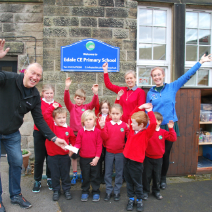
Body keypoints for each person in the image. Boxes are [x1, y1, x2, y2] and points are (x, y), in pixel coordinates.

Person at [0, 39, 67, 212]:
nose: (35, 77)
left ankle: (15, 195)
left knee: (16, 163)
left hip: (12, 133)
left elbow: (39, 120)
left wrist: (53, 137)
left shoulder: (35, 95)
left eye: (38, 76)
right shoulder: (8, 79)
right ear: (25, 71)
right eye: (33, 73)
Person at [146, 53, 212, 190]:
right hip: (155, 127)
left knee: (165, 154)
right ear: (152, 78)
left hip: (169, 126)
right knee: (153, 154)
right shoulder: (150, 93)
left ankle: (162, 179)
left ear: (163, 75)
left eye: (159, 74)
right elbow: (148, 110)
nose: (157, 77)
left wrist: (200, 62)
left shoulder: (172, 87)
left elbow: (187, 75)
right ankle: (153, 179)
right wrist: (148, 127)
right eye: (154, 75)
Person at [64, 77, 99, 185]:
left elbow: (93, 103)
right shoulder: (71, 107)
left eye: (81, 99)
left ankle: (84, 175)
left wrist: (96, 93)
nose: (79, 100)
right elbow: (66, 100)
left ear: (84, 100)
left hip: (84, 135)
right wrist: (67, 87)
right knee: (74, 156)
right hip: (74, 135)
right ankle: (75, 174)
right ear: (74, 98)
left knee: (83, 156)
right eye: (77, 98)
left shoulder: (87, 107)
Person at [123, 103, 156, 212]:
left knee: (137, 182)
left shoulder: (146, 133)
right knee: (129, 181)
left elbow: (153, 123)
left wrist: (150, 111)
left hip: (136, 163)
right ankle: (131, 199)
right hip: (126, 160)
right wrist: (141, 107)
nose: (131, 125)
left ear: (142, 125)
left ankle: (139, 200)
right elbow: (131, 114)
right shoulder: (132, 130)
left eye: (133, 123)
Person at [43, 103, 76, 201]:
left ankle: (66, 190)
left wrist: (71, 151)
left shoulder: (68, 129)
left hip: (64, 157)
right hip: (52, 156)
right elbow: (45, 115)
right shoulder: (51, 127)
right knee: (55, 175)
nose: (61, 120)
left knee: (65, 174)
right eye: (59, 118)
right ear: (54, 119)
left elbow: (74, 141)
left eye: (63, 117)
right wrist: (52, 107)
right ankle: (56, 190)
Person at [32, 84, 62, 193]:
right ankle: (37, 180)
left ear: (53, 93)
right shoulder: (38, 102)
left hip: (52, 134)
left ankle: (50, 178)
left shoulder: (58, 104)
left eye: (51, 93)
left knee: (50, 157)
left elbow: (60, 118)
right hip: (39, 132)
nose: (49, 95)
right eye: (47, 93)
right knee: (39, 158)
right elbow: (42, 117)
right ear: (43, 93)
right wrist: (51, 107)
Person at [69, 110, 102, 202]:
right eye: (86, 120)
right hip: (84, 158)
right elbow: (78, 144)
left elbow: (99, 145)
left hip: (95, 158)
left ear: (94, 121)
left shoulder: (97, 132)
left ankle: (95, 191)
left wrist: (97, 158)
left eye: (90, 119)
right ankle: (85, 191)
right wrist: (72, 149)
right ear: (83, 121)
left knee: (95, 176)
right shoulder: (80, 132)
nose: (88, 121)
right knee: (85, 176)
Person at [142, 112, 177, 201]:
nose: (151, 121)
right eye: (150, 120)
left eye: (155, 120)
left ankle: (156, 191)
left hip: (158, 158)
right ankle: (145, 191)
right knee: (146, 176)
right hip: (148, 158)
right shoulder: (146, 131)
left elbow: (173, 138)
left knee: (157, 176)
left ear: (160, 122)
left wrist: (171, 129)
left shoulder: (163, 132)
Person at [100, 104, 129, 202]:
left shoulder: (124, 125)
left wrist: (130, 128)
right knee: (107, 172)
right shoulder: (107, 124)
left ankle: (117, 190)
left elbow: (129, 138)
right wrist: (102, 128)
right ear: (110, 114)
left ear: (121, 114)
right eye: (113, 113)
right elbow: (104, 137)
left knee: (119, 172)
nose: (115, 116)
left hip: (120, 152)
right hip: (109, 152)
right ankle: (108, 190)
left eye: (117, 113)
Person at [95, 100, 111, 184]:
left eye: (106, 108)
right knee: (99, 159)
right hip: (99, 142)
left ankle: (105, 176)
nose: (104, 109)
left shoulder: (110, 117)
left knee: (107, 160)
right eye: (103, 108)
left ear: (109, 109)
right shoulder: (98, 117)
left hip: (108, 141)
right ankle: (99, 176)